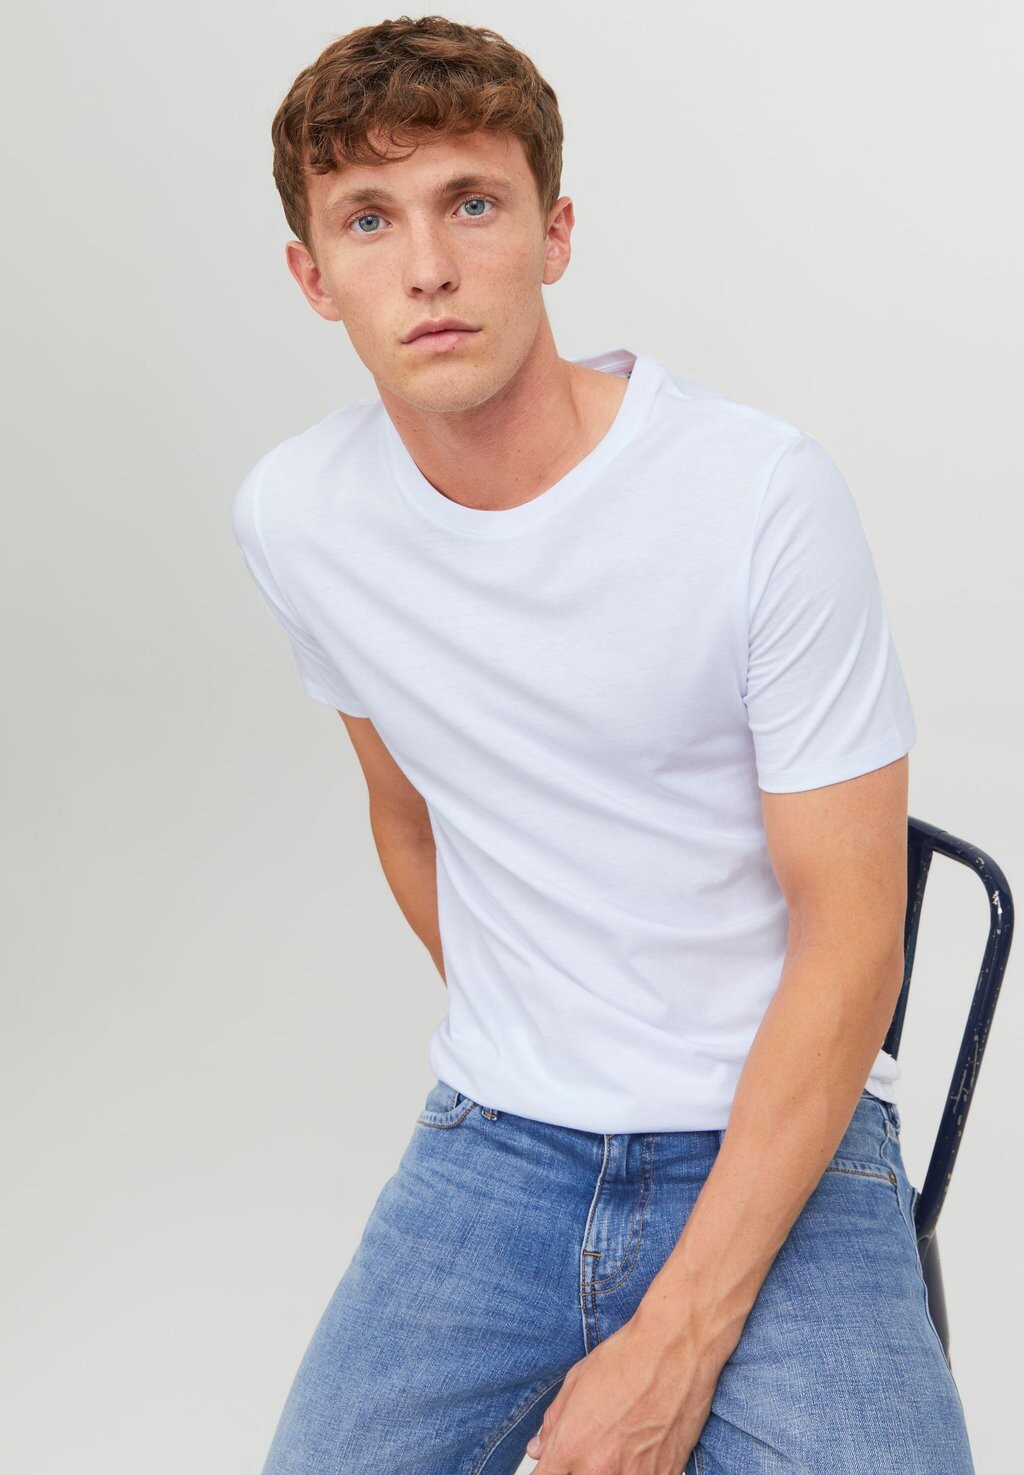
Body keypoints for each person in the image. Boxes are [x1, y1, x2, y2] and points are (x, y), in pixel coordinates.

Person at [231, 15, 975, 1475]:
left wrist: (677, 1336)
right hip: (502, 1136)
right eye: (369, 219)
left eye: (472, 203)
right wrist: (549, 1028)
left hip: (785, 1133)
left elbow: (854, 932)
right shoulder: (299, 517)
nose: (427, 267)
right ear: (314, 278)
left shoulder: (756, 497)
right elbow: (406, 813)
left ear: (553, 234)